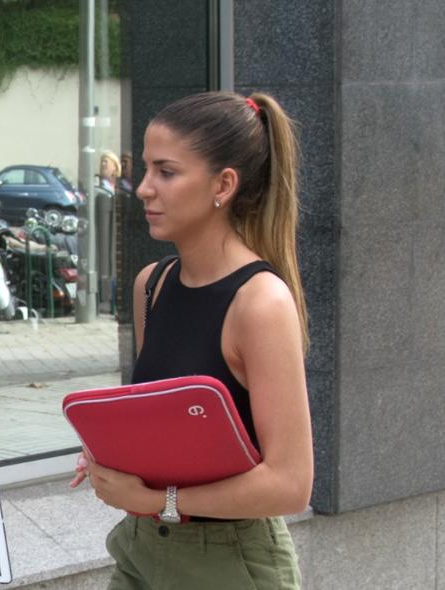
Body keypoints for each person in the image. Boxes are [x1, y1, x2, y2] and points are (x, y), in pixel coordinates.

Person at [71, 91, 313, 589]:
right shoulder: (151, 285)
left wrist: (160, 501)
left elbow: (290, 484)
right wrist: (111, 455)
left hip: (228, 563)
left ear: (223, 184)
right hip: (141, 548)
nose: (142, 189)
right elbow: (168, 428)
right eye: (145, 170)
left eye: (166, 172)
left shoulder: (260, 303)